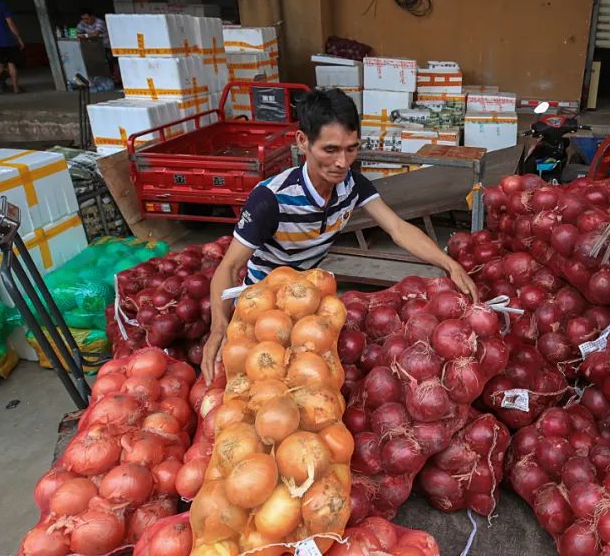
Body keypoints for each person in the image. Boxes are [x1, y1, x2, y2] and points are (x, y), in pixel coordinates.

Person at [201, 88, 479, 382]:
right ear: (303, 142)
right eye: (330, 150)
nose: (343, 162)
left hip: (310, 303)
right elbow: (229, 266)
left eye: (351, 148)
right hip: (264, 308)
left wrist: (450, 264)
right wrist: (219, 326)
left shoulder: (353, 186)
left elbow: (398, 229)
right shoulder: (271, 199)